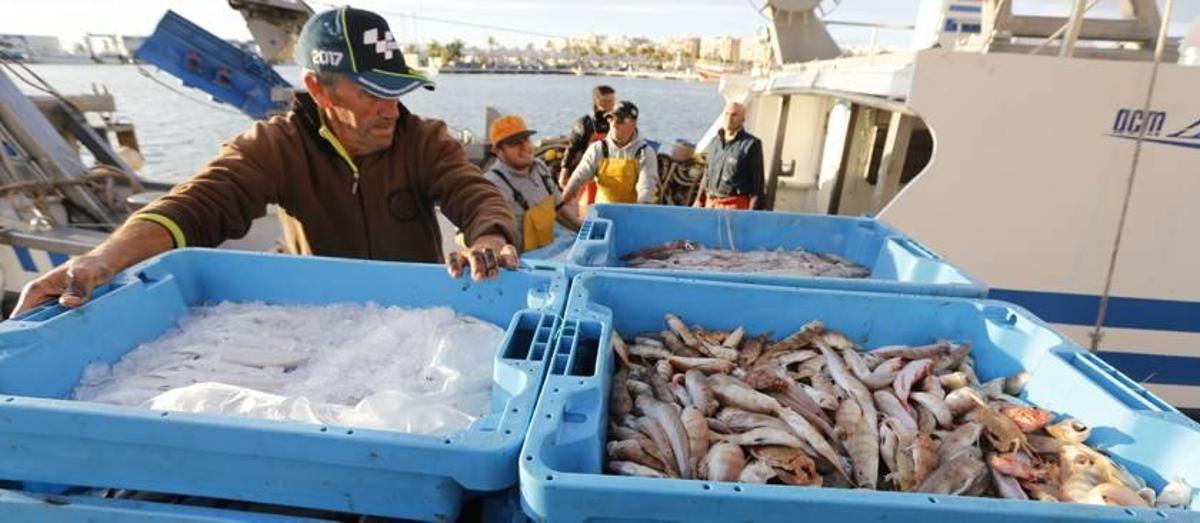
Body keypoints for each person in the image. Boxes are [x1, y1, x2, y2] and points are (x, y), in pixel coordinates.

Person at [12, 6, 519, 317]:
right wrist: (104, 259)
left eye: (397, 92)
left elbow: (472, 192)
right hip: (314, 317)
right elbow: (198, 204)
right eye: (371, 94)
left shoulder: (424, 140)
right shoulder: (277, 146)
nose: (391, 110)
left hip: (418, 314)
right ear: (319, 89)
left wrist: (491, 236)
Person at [483, 115, 580, 252]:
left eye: (526, 139)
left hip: (550, 251)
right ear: (498, 151)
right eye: (514, 143)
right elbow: (484, 235)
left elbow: (559, 209)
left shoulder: (540, 167)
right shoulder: (491, 185)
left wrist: (582, 229)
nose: (524, 147)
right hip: (521, 263)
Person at [561, 101, 659, 205]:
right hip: (602, 212)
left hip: (633, 213)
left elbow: (646, 189)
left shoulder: (645, 153)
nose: (614, 124)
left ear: (633, 124)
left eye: (620, 120)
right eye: (611, 118)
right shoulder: (597, 149)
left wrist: (639, 213)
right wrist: (561, 206)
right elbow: (577, 179)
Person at [693, 102, 765, 210]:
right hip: (710, 204)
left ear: (743, 119)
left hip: (734, 207)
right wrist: (698, 200)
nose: (729, 118)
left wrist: (752, 214)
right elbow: (707, 175)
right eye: (726, 114)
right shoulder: (714, 142)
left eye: (734, 115)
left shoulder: (751, 144)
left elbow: (758, 185)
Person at [560, 85, 616, 213]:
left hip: (613, 176)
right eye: (606, 101)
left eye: (612, 101)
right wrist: (564, 171)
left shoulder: (617, 122)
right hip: (589, 178)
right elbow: (572, 149)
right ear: (596, 101)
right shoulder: (585, 123)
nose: (610, 105)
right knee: (587, 211)